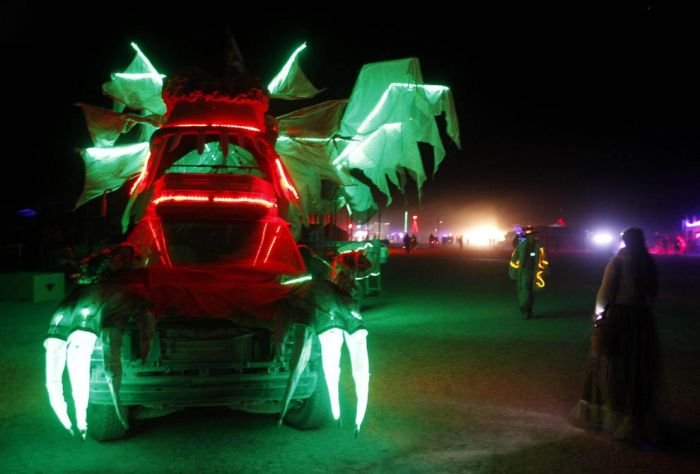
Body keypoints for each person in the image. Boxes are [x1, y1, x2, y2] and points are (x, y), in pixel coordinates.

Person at [571, 227, 660, 446]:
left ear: (624, 241)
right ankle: (633, 420)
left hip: (619, 318)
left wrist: (598, 315)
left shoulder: (618, 262)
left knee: (609, 365)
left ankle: (606, 415)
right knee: (635, 370)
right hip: (641, 321)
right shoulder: (648, 262)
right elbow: (652, 294)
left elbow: (604, 292)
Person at [508, 225, 548, 319]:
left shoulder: (535, 245)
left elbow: (542, 259)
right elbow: (516, 246)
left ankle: (528, 310)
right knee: (526, 291)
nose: (536, 236)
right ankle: (525, 309)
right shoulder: (526, 244)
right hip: (526, 272)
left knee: (529, 292)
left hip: (531, 272)